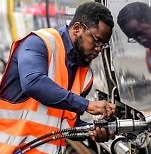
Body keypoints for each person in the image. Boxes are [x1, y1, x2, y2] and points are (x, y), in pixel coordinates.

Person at [0, 2, 116, 153]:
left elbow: (66, 124)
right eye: (96, 40)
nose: (99, 48)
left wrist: (92, 131)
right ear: (77, 29)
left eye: (104, 44)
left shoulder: (85, 75)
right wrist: (87, 105)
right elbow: (32, 83)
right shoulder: (39, 43)